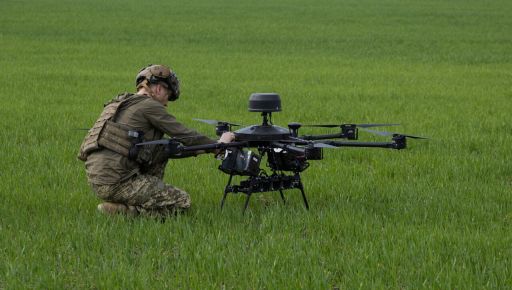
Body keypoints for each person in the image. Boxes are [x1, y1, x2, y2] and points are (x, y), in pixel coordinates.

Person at [78, 64, 235, 217]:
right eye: (167, 96)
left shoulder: (118, 103)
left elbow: (164, 148)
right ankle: (124, 211)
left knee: (161, 149)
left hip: (97, 180)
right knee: (182, 201)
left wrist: (202, 149)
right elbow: (184, 134)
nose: (166, 103)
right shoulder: (149, 106)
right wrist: (219, 144)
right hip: (117, 183)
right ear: (159, 89)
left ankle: (140, 199)